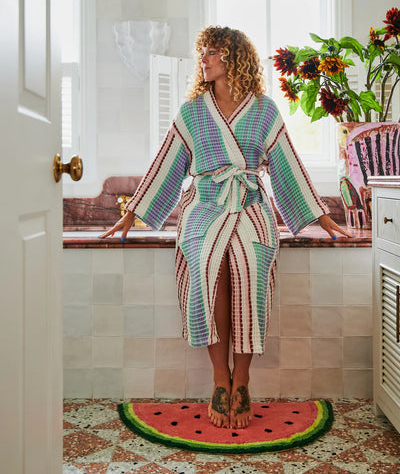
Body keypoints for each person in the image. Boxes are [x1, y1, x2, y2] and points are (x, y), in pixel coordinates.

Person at [101, 26, 353, 429]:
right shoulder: (192, 112)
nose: (204, 59)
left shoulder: (265, 110)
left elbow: (288, 165)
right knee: (207, 264)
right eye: (202, 52)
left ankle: (244, 379)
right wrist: (131, 213)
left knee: (251, 264)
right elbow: (166, 164)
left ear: (234, 57)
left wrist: (322, 216)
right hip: (204, 205)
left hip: (251, 204)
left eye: (213, 52)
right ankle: (221, 379)